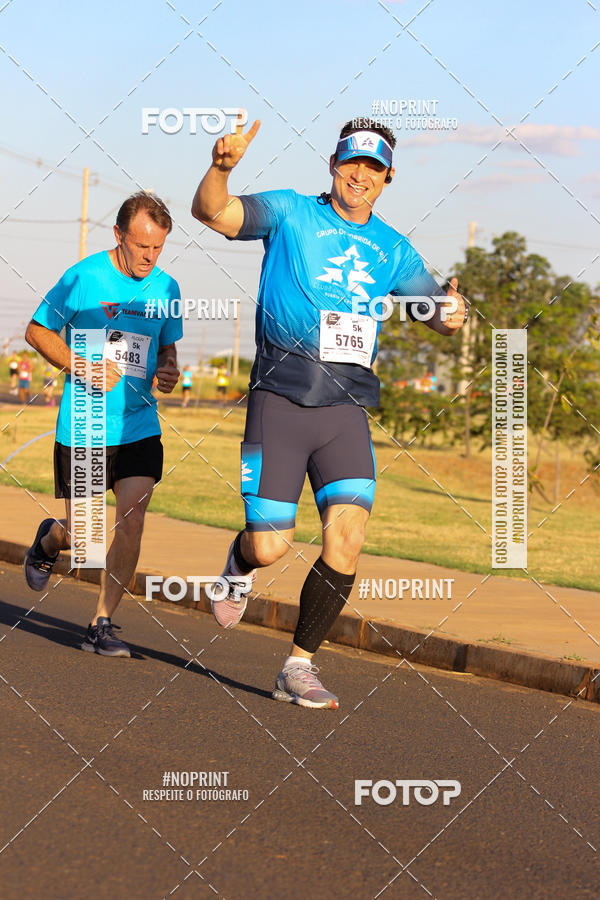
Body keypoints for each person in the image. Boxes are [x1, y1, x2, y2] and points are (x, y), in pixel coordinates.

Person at [191, 115, 467, 710]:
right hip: (280, 401)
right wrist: (222, 167)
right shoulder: (290, 213)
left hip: (345, 409)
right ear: (334, 166)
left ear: (387, 178)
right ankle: (239, 562)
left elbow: (430, 309)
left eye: (373, 168)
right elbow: (213, 214)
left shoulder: (393, 248)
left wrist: (448, 314)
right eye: (352, 164)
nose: (360, 176)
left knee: (348, 538)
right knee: (270, 547)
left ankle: (298, 665)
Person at [23, 191, 182, 657]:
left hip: (138, 424)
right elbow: (37, 330)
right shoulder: (84, 277)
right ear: (119, 235)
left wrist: (169, 370)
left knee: (131, 521)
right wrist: (78, 363)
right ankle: (51, 538)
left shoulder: (167, 288)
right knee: (86, 539)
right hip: (87, 423)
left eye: (159, 248)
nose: (150, 257)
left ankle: (102, 622)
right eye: (142, 247)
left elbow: (168, 348)